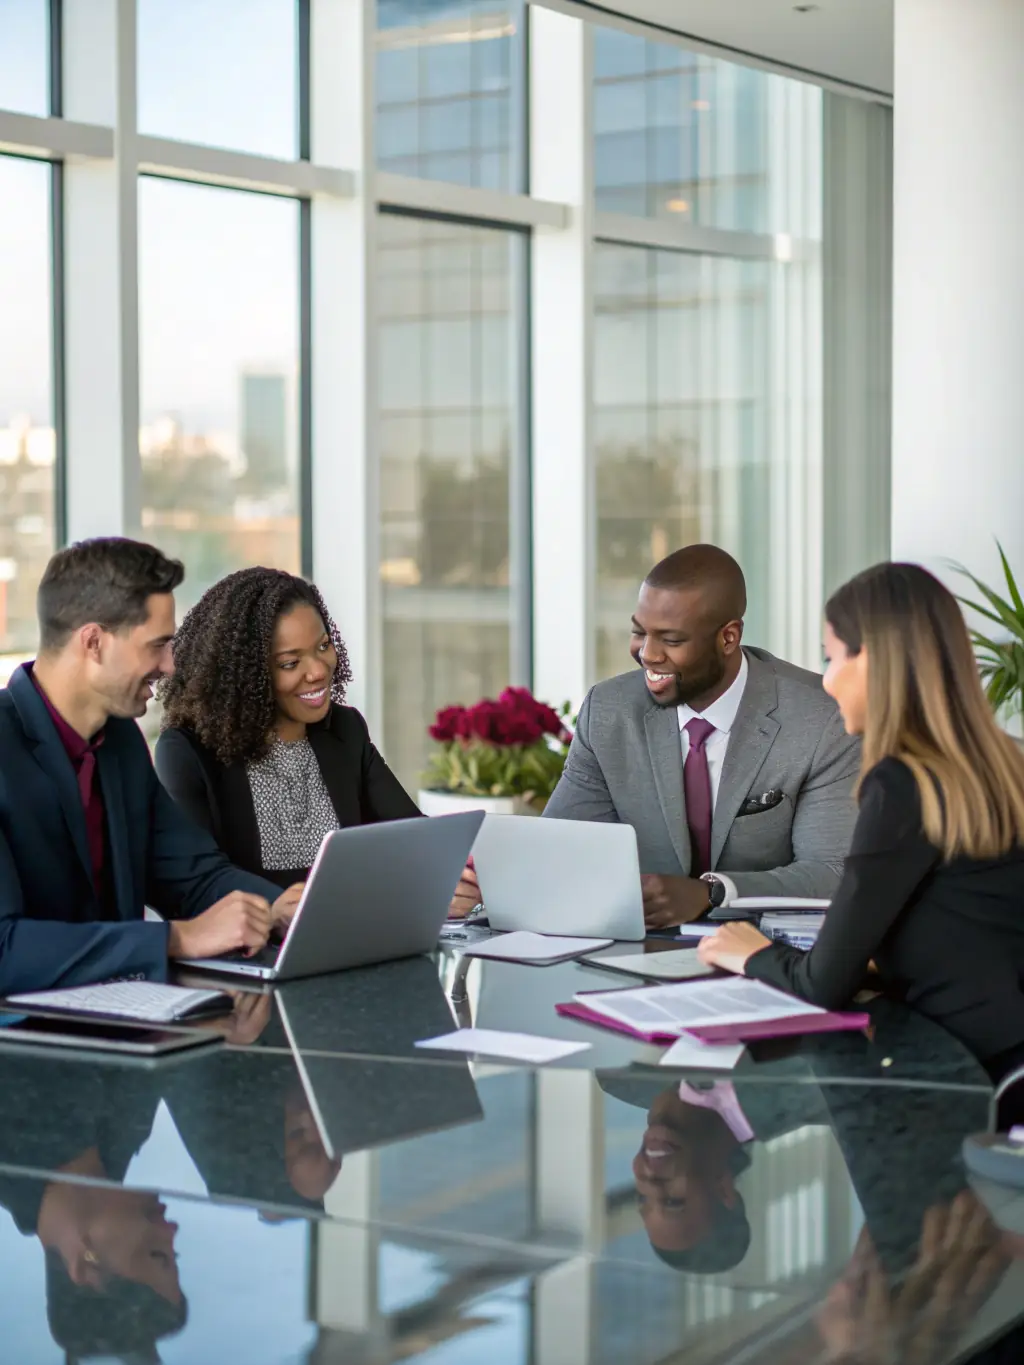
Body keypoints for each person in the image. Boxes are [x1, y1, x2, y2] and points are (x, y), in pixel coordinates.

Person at [698, 561, 1024, 1088]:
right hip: (1007, 1058)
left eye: (831, 658)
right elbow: (968, 926)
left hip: (957, 1075)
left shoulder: (902, 782)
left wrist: (750, 953)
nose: (826, 681)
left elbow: (819, 985)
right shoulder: (1003, 764)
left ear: (872, 658)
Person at [0, 537, 297, 995]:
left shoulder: (118, 741)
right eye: (157, 645)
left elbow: (192, 876)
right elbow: (5, 950)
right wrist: (178, 939)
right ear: (94, 642)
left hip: (120, 1020)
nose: (170, 665)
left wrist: (282, 908)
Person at [544, 545, 860, 928]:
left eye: (671, 640)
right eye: (639, 632)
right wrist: (485, 886)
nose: (647, 654)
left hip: (767, 956)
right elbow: (560, 849)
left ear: (728, 638)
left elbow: (832, 872)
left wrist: (712, 892)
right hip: (635, 952)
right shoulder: (609, 711)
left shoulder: (820, 717)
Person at [154, 567, 477, 914]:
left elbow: (412, 836)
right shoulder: (188, 752)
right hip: (251, 951)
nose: (319, 670)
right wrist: (273, 906)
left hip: (355, 935)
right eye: (291, 662)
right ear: (244, 676)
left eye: (323, 645)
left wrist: (447, 877)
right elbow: (196, 881)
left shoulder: (344, 730)